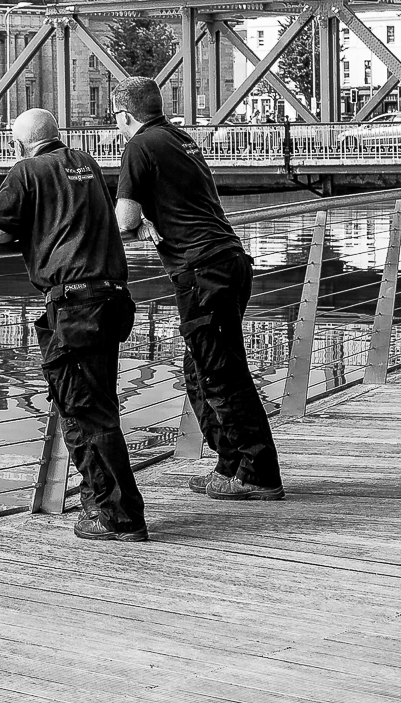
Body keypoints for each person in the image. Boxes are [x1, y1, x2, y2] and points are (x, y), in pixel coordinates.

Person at [0, 108, 148, 541]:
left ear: (19, 144)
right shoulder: (85, 162)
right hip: (110, 297)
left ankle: (118, 516)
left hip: (75, 307)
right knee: (98, 405)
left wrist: (28, 230)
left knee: (84, 411)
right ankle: (106, 506)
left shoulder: (26, 170)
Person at [110, 75, 284, 500]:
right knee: (201, 370)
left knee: (222, 375)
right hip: (229, 261)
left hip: (201, 271)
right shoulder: (179, 138)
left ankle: (259, 474)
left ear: (124, 114)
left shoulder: (139, 146)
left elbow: (124, 221)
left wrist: (140, 222)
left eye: (114, 116)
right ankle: (230, 467)